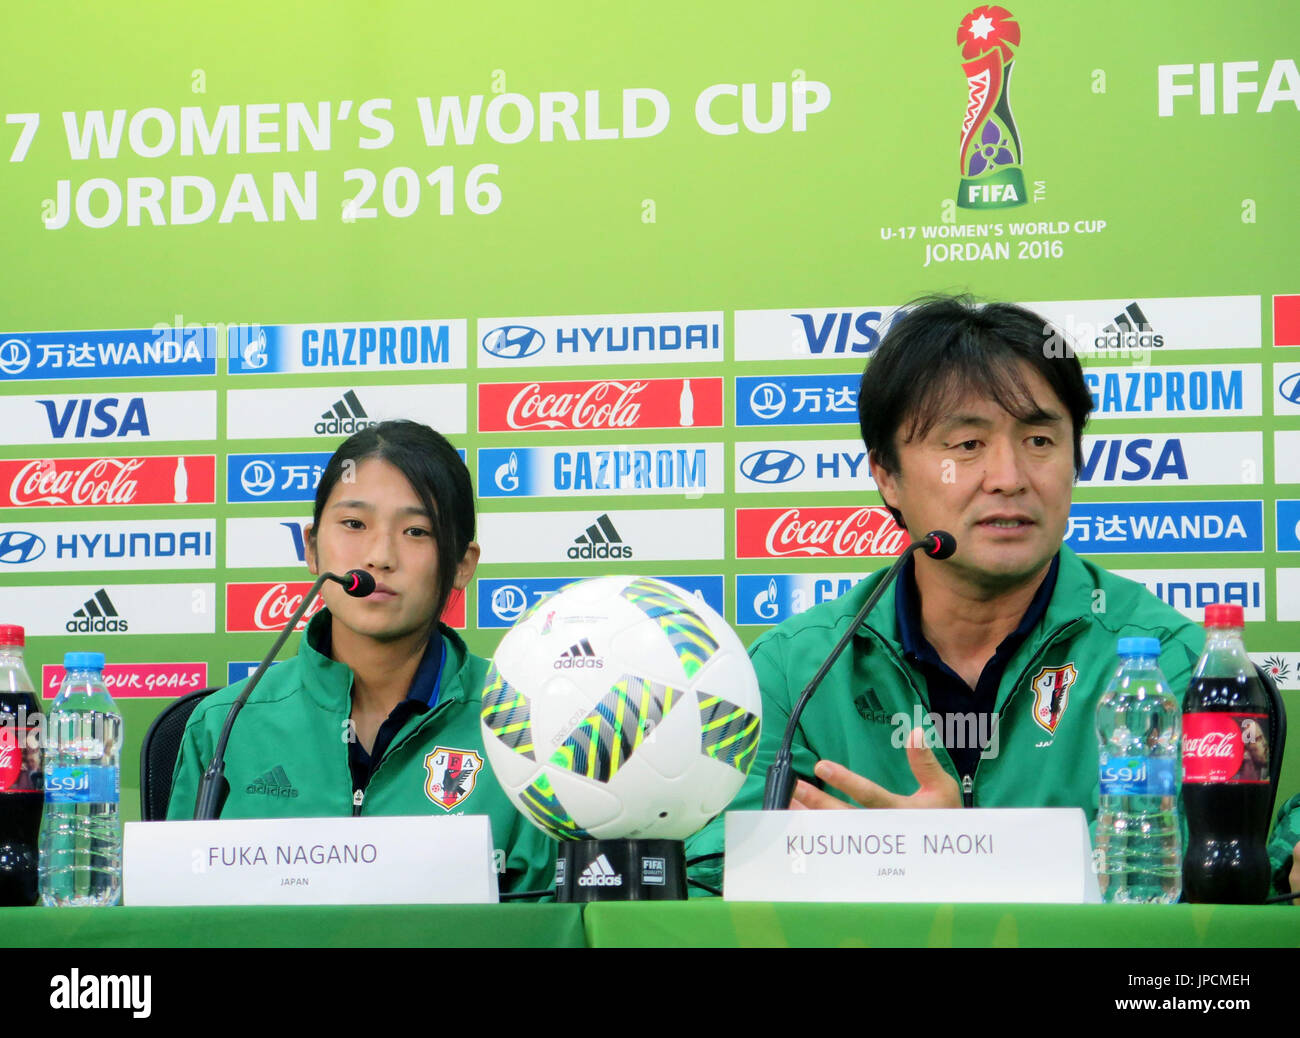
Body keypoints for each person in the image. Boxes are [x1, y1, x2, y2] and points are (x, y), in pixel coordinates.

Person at [686, 294, 1298, 900]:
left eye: (1038, 440)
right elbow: (711, 867)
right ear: (887, 476)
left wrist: (957, 856)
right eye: (966, 445)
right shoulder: (794, 673)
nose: (1008, 476)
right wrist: (895, 862)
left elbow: (1192, 883)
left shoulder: (1164, 663)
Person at [168, 420, 555, 895]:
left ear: (461, 564)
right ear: (312, 548)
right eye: (354, 524)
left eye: (416, 531)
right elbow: (172, 914)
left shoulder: (527, 725)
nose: (379, 555)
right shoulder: (223, 726)